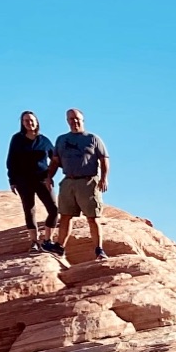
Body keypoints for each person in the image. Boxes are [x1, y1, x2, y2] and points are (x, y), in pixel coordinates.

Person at [50, 108, 110, 261]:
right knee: (65, 216)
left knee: (92, 217)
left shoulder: (92, 139)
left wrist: (104, 178)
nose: (74, 121)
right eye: (71, 119)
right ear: (67, 121)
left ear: (82, 120)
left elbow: (104, 159)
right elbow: (55, 161)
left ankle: (99, 250)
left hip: (88, 181)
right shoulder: (61, 139)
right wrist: (48, 177)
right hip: (68, 181)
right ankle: (59, 247)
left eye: (77, 118)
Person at [5, 111, 59, 251]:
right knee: (29, 210)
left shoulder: (44, 141)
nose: (29, 123)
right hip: (23, 180)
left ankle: (47, 240)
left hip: (42, 179)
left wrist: (50, 175)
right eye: (26, 121)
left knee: (54, 210)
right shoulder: (17, 139)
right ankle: (34, 242)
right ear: (22, 123)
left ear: (37, 122)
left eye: (31, 120)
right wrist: (12, 180)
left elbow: (55, 159)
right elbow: (11, 160)